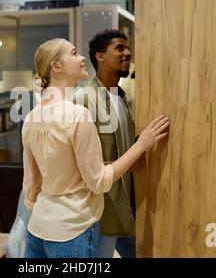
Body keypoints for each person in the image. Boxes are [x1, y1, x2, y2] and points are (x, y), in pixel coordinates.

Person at [22, 38, 169, 258]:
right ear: (57, 67)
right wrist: (141, 146)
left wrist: (44, 205)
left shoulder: (31, 117)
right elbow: (98, 182)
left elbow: (31, 184)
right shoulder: (78, 114)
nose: (82, 58)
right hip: (72, 230)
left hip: (38, 229)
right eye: (74, 53)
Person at [73, 29, 138, 258]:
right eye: (119, 48)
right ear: (100, 56)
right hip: (101, 209)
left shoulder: (121, 97)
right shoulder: (83, 100)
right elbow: (80, 162)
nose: (128, 52)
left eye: (127, 48)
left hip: (128, 204)